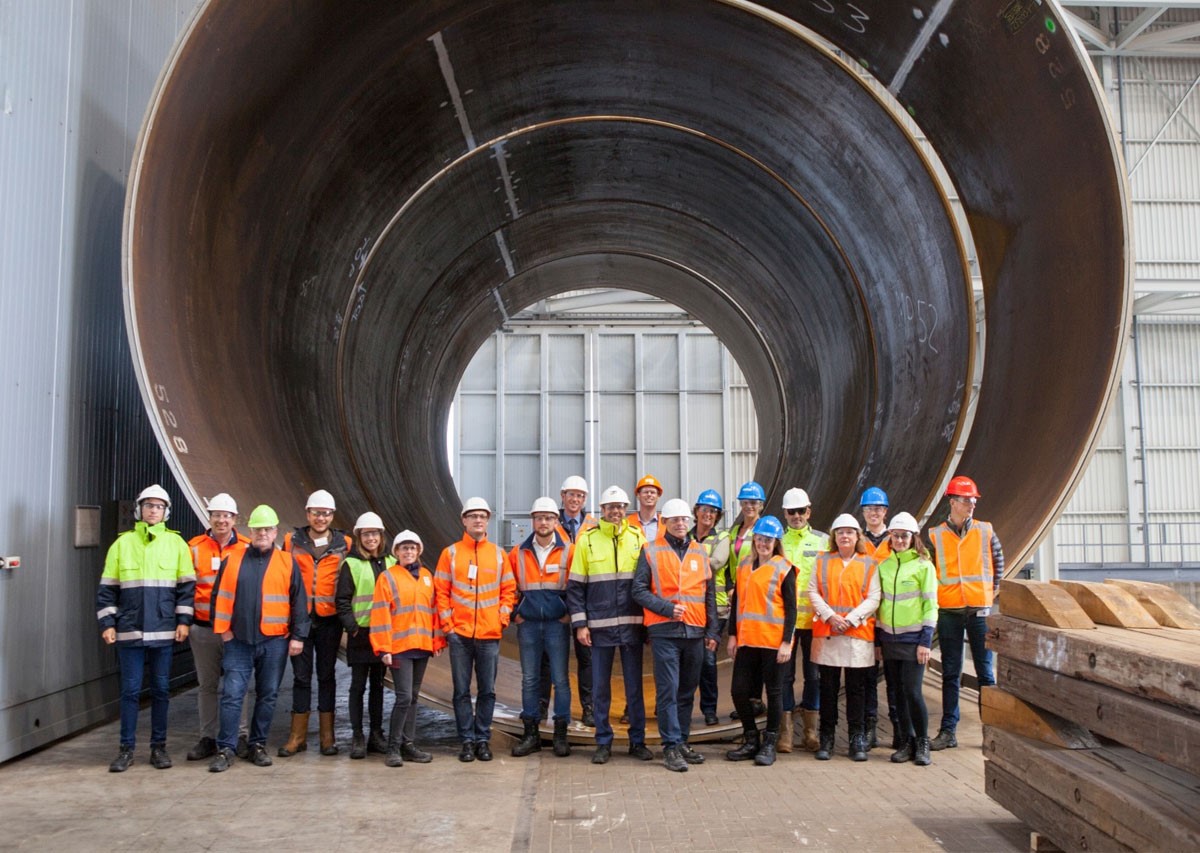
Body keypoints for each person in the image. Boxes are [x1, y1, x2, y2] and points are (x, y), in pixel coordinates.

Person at [96, 484, 195, 772]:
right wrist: (107, 624)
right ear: (140, 509)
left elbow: (186, 590)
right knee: (129, 691)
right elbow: (107, 591)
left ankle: (158, 748)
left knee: (162, 690)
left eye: (159, 506)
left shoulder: (177, 545)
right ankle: (126, 749)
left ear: (166, 512)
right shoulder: (122, 544)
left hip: (164, 633)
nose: (154, 510)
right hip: (129, 631)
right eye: (150, 505)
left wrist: (183, 622)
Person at [207, 505, 309, 772]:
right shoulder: (233, 559)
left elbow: (299, 602)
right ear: (249, 531)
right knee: (232, 695)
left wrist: (298, 636)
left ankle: (257, 745)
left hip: (274, 641)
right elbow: (218, 597)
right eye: (257, 529)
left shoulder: (287, 562)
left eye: (267, 529)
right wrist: (224, 631)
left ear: (275, 531)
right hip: (238, 640)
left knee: (268, 695)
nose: (262, 533)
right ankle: (226, 748)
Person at [566, 485, 652, 765]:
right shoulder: (587, 541)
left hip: (631, 626)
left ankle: (637, 741)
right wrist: (581, 624)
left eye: (620, 507)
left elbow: (648, 583)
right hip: (600, 627)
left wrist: (648, 623)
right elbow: (576, 587)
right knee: (601, 687)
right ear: (601, 510)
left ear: (626, 509)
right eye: (610, 507)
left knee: (634, 688)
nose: (616, 511)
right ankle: (603, 741)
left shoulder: (638, 539)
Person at [633, 499, 719, 772]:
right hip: (664, 632)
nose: (681, 524)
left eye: (684, 520)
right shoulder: (650, 550)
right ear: (665, 523)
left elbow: (709, 596)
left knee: (686, 690)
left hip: (694, 631)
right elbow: (638, 590)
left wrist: (712, 630)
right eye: (675, 520)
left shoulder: (700, 552)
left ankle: (682, 740)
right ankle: (670, 746)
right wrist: (667, 609)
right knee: (668, 690)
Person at [435, 497, 516, 762]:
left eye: (482, 516)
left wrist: (501, 619)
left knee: (487, 691)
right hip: (460, 635)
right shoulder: (451, 554)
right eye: (473, 516)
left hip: (488, 635)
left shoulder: (498, 554)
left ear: (488, 520)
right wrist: (448, 625)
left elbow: (509, 591)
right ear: (464, 520)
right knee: (460, 690)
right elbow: (441, 592)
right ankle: (466, 741)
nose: (478, 520)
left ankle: (482, 739)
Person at [926, 475, 1003, 751]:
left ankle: (992, 732)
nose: (971, 504)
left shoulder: (985, 531)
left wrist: (991, 592)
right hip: (949, 610)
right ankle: (948, 732)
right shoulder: (935, 536)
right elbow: (931, 571)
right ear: (952, 502)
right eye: (966, 500)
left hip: (979, 609)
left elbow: (998, 560)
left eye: (973, 500)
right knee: (950, 672)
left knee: (985, 673)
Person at [279, 489, 352, 757]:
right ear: (307, 514)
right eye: (316, 513)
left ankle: (327, 737)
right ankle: (296, 737)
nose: (321, 518)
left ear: (332, 515)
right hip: (300, 620)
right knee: (300, 677)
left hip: (329, 620)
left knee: (326, 676)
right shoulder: (291, 541)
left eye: (326, 513)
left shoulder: (345, 543)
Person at [810, 514, 881, 762]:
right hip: (829, 633)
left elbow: (874, 597)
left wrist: (850, 619)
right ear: (834, 537)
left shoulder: (868, 563)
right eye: (840, 532)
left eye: (849, 532)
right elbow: (812, 590)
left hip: (857, 634)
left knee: (856, 689)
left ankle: (856, 737)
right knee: (827, 689)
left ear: (857, 536)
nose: (844, 536)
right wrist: (831, 616)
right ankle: (826, 736)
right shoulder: (822, 561)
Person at [724, 515, 795, 767]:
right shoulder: (744, 566)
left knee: (774, 693)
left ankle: (769, 743)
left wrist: (787, 642)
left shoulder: (784, 568)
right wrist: (732, 635)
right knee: (739, 691)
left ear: (776, 542)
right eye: (760, 538)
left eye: (769, 540)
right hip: (747, 641)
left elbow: (792, 609)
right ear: (754, 539)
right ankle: (751, 737)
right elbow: (736, 606)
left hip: (773, 643)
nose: (763, 543)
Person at [186, 493, 251, 761]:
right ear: (209, 516)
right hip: (202, 628)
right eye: (217, 515)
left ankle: (241, 735)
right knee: (208, 685)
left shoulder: (246, 547)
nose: (221, 520)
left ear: (235, 519)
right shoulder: (194, 547)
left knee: (238, 684)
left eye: (227, 516)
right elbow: (185, 587)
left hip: (235, 632)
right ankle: (208, 737)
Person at [370, 530, 444, 767]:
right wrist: (383, 648)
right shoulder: (388, 577)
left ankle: (408, 744)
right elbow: (380, 614)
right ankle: (393, 747)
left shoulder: (426, 576)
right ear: (397, 553)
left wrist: (437, 640)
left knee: (413, 698)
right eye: (404, 548)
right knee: (403, 697)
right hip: (399, 647)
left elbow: (433, 611)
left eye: (412, 548)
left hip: (421, 647)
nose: (408, 552)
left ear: (418, 551)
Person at [510, 497, 575, 758]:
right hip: (528, 625)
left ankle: (560, 734)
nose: (544, 522)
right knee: (529, 680)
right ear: (533, 521)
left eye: (548, 517)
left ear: (556, 521)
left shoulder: (569, 551)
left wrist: (568, 613)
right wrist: (516, 613)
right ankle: (531, 734)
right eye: (539, 517)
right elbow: (508, 586)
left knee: (560, 679)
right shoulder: (518, 552)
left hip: (556, 625)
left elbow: (578, 585)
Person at [876, 512, 937, 766]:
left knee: (912, 692)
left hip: (913, 641)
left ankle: (923, 742)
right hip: (890, 641)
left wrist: (925, 641)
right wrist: (878, 642)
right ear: (890, 537)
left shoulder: (924, 566)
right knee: (897, 694)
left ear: (913, 538)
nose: (900, 540)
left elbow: (931, 606)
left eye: (904, 536)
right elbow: (879, 606)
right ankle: (907, 741)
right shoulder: (884, 566)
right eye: (896, 536)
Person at [336, 512, 393, 759]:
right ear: (359, 536)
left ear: (381, 536)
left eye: (375, 534)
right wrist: (353, 627)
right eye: (367, 534)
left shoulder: (391, 561)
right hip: (361, 635)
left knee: (378, 687)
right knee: (358, 686)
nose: (371, 538)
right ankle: (358, 736)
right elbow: (342, 600)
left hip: (384, 635)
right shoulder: (351, 564)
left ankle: (376, 735)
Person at [780, 487, 828, 752]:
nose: (797, 516)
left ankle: (810, 733)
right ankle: (785, 735)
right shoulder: (778, 542)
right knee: (785, 677)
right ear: (785, 514)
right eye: (792, 512)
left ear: (808, 512)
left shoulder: (823, 541)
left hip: (814, 623)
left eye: (801, 511)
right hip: (787, 623)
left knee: (814, 676)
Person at [555, 475, 597, 727]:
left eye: (580, 496)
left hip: (585, 596)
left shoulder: (592, 525)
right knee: (553, 657)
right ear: (563, 496)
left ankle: (588, 708)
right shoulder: (551, 520)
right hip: (557, 596)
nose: (575, 499)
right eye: (571, 494)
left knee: (587, 657)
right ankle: (550, 709)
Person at [724, 480, 767, 722]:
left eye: (754, 502)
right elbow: (730, 564)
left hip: (758, 595)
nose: (749, 506)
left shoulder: (765, 529)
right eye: (745, 502)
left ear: (761, 505)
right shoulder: (735, 531)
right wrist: (731, 587)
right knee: (744, 647)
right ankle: (746, 699)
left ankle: (755, 699)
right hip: (740, 594)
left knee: (757, 646)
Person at [858, 486, 896, 750]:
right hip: (865, 619)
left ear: (885, 511)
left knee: (894, 676)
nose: (874, 513)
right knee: (867, 676)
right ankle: (869, 725)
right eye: (869, 508)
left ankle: (899, 728)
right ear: (863, 512)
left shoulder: (896, 540)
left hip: (891, 617)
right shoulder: (857, 540)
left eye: (878, 508)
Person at [691, 489, 730, 727]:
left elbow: (716, 563)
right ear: (696, 511)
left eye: (713, 511)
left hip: (716, 607)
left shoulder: (721, 537)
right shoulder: (685, 534)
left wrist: (688, 562)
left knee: (707, 659)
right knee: (688, 660)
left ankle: (709, 709)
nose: (708, 514)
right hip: (690, 605)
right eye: (704, 509)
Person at [626, 474, 663, 543]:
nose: (649, 495)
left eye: (652, 492)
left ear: (658, 496)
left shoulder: (666, 523)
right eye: (645, 492)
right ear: (638, 495)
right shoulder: (627, 523)